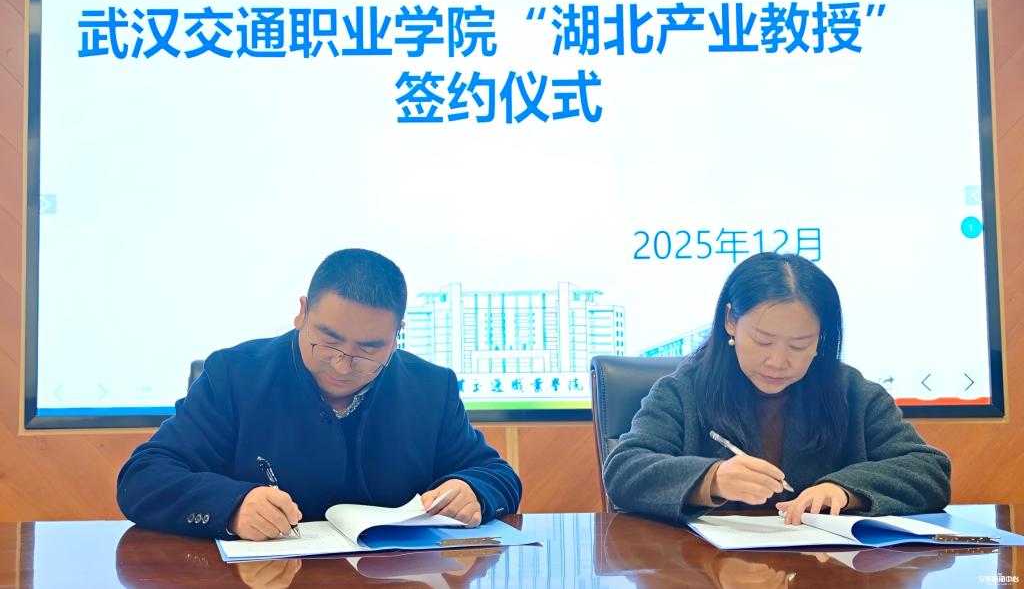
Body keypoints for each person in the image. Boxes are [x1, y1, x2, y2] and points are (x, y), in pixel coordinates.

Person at [117, 248, 522, 540]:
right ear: (302, 312)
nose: (343, 365)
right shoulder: (235, 374)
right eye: (328, 341)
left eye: (368, 349)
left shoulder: (431, 388)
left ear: (397, 335)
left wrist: (474, 492)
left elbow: (497, 475)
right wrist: (233, 506)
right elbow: (143, 478)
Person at [603, 252, 950, 525]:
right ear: (730, 321)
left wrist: (846, 490)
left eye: (799, 345)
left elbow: (929, 470)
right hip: (710, 572)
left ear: (821, 338)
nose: (778, 361)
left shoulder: (851, 392)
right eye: (763, 341)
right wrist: (712, 479)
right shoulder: (684, 390)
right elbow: (624, 470)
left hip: (827, 572)